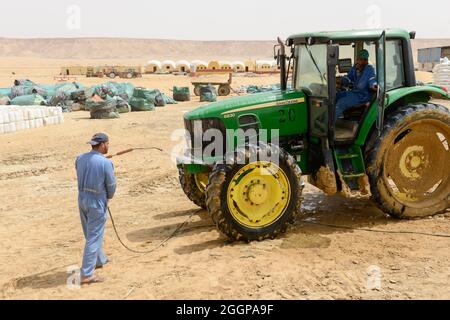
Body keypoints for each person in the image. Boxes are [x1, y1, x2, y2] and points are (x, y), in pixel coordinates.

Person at [75, 133, 116, 285]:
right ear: (103, 144)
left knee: (89, 232)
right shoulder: (105, 163)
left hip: (82, 198)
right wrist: (108, 197)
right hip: (96, 201)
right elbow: (111, 185)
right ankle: (86, 274)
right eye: (108, 143)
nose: (108, 146)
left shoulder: (79, 158)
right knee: (94, 235)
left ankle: (99, 259)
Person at [336, 49, 378, 118]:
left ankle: (329, 125)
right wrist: (341, 80)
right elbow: (349, 77)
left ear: (365, 61)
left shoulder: (369, 69)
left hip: (362, 96)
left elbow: (371, 80)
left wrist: (374, 85)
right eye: (358, 59)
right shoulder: (355, 68)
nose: (357, 61)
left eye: (360, 60)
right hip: (354, 93)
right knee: (335, 96)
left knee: (341, 102)